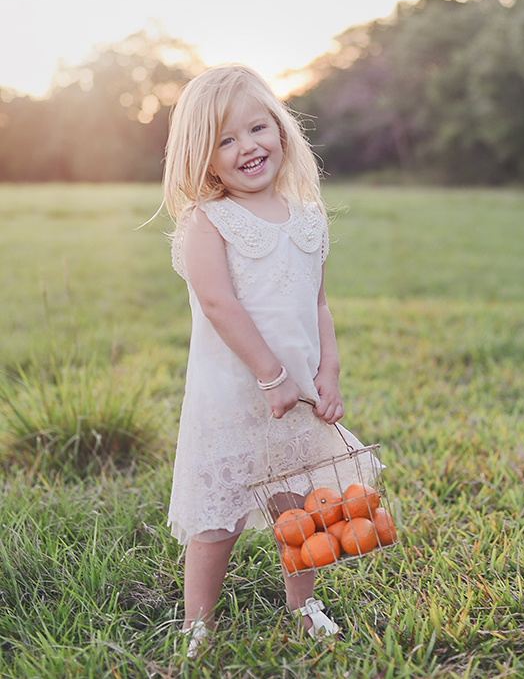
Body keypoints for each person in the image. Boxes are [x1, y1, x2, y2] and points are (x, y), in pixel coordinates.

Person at [162, 64, 370, 655]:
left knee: (299, 506)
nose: (247, 147)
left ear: (281, 129)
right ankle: (197, 623)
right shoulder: (210, 222)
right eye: (225, 140)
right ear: (203, 157)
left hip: (297, 394)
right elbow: (219, 304)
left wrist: (326, 370)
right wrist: (269, 375)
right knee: (217, 519)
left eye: (257, 128)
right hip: (235, 395)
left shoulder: (308, 215)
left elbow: (319, 303)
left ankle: (303, 605)